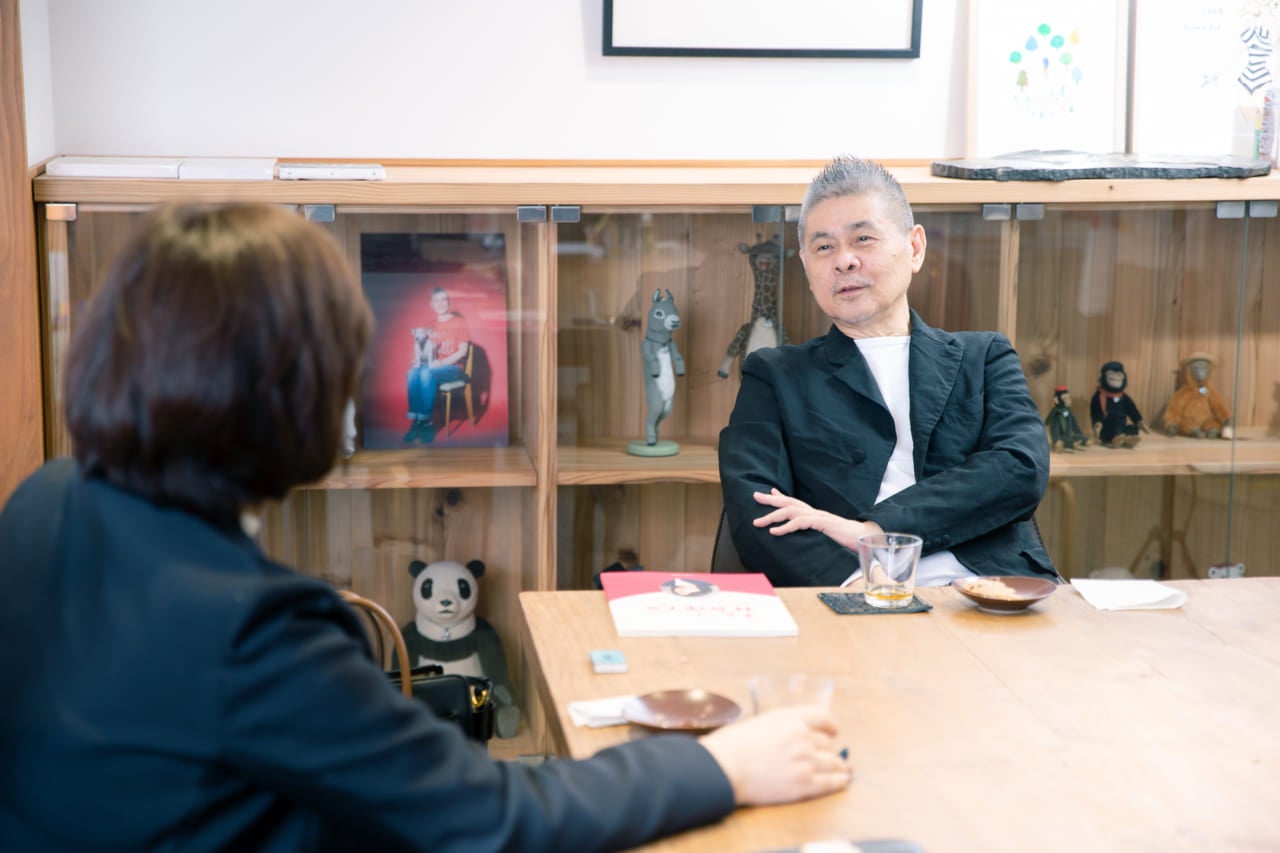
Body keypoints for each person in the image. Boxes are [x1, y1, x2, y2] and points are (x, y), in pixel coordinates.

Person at [0, 203, 851, 852]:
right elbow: (494, 820)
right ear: (296, 392)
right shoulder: (258, 630)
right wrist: (723, 763)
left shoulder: (45, 501)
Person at [718, 156, 1057, 588]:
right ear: (806, 266)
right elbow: (757, 509)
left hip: (988, 590)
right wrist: (859, 583)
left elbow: (1020, 468)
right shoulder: (774, 375)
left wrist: (874, 531)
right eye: (824, 248)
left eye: (863, 239)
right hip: (848, 593)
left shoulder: (983, 357)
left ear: (915, 248)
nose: (844, 261)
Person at [404, 286, 470, 443]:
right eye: (436, 301)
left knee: (426, 374)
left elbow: (463, 351)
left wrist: (441, 362)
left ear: (449, 302)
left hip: (453, 368)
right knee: (412, 373)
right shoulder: (429, 325)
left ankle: (428, 422)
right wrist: (417, 360)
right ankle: (417, 421)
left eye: (443, 300)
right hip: (432, 366)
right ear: (431, 304)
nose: (440, 304)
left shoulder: (459, 322)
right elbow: (423, 351)